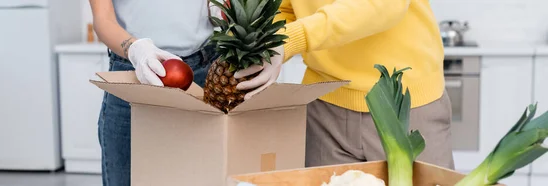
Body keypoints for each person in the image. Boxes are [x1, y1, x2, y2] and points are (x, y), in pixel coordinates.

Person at [235, 0, 455, 169]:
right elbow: (283, 8)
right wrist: (269, 43)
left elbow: (382, 5)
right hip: (324, 107)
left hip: (404, 105)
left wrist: (291, 39)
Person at [89, 1, 221, 185]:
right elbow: (102, 20)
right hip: (134, 73)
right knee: (125, 178)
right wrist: (136, 50)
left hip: (203, 70)